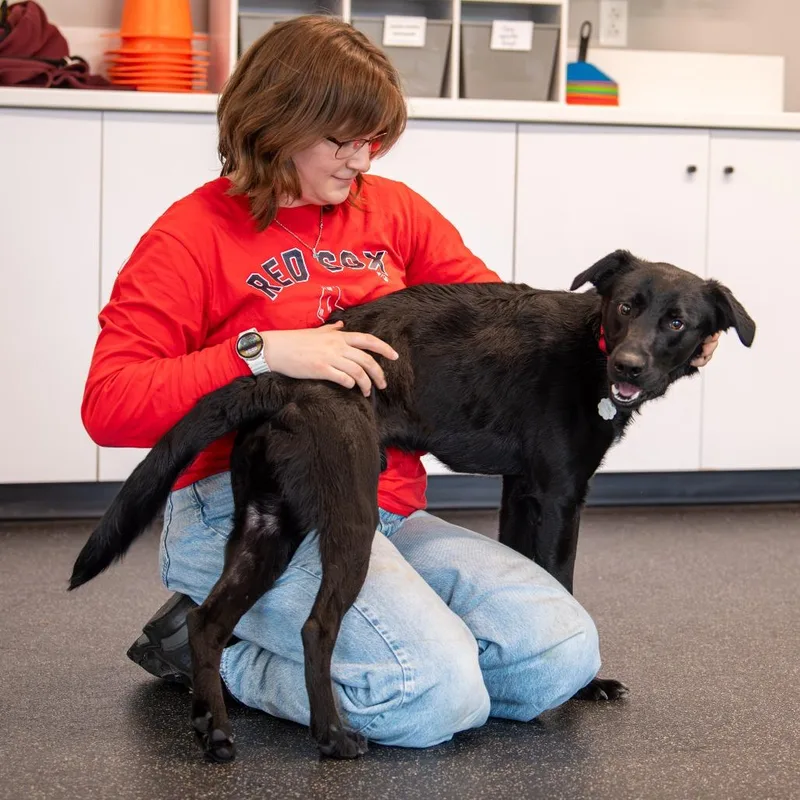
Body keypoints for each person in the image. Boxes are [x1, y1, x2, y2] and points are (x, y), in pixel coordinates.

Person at [81, 14, 719, 750]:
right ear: (274, 123)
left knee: (560, 657)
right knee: (427, 698)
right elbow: (110, 406)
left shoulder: (391, 211)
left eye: (375, 139)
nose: (363, 158)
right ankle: (205, 650)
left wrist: (656, 338)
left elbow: (502, 325)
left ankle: (399, 649)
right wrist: (260, 351)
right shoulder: (189, 237)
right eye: (343, 139)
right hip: (246, 511)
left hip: (386, 510)